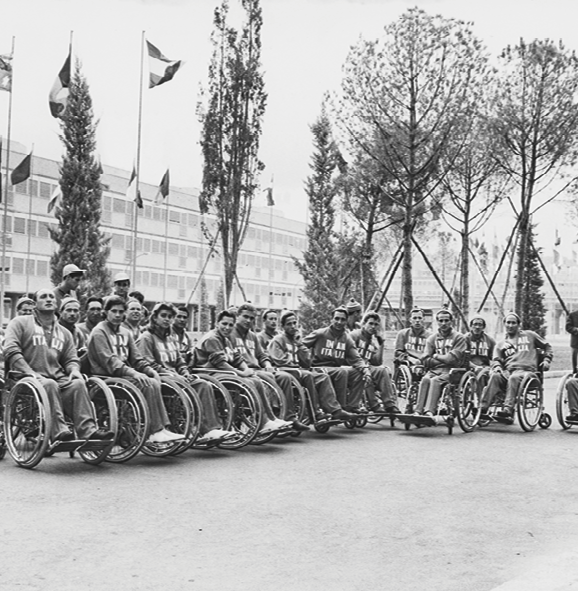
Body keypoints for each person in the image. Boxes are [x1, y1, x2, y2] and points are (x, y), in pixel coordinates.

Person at [3, 288, 113, 442]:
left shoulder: (64, 333)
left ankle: (88, 431)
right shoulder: (20, 323)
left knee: (78, 384)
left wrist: (74, 370)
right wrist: (29, 372)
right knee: (49, 384)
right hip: (27, 377)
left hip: (56, 377)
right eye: (43, 297)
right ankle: (59, 431)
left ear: (56, 303)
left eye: (51, 297)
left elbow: (71, 358)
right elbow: (11, 350)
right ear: (35, 304)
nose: (48, 299)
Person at [87, 296, 184, 444]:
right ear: (106, 312)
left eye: (121, 311)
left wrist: (150, 371)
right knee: (146, 384)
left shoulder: (125, 332)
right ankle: (154, 430)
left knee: (153, 381)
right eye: (114, 311)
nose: (118, 315)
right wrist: (134, 373)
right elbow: (110, 362)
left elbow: (137, 359)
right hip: (105, 378)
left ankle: (163, 428)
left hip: (123, 377)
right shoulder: (99, 332)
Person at [139, 302, 235, 444]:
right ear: (154, 318)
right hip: (161, 377)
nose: (167, 319)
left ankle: (210, 429)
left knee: (203, 385)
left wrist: (184, 371)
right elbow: (149, 364)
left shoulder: (170, 338)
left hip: (176, 377)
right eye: (163, 316)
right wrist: (172, 374)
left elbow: (179, 361)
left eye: (170, 316)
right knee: (189, 384)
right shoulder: (147, 338)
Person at [195, 309, 292, 436]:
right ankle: (261, 420)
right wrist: (241, 374)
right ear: (217, 323)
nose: (227, 327)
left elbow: (236, 358)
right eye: (224, 324)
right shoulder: (212, 338)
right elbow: (220, 363)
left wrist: (246, 369)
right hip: (210, 372)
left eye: (230, 325)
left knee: (256, 380)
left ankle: (269, 419)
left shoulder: (226, 340)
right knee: (248, 382)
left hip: (223, 372)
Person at [232, 303, 309, 432]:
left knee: (284, 377)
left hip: (258, 369)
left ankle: (288, 417)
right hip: (243, 371)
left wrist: (267, 364)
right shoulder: (230, 334)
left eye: (251, 318)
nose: (248, 321)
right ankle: (271, 414)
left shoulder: (252, 336)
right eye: (245, 317)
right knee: (267, 377)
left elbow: (262, 355)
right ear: (237, 316)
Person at [268, 310, 354, 422]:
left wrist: (300, 346)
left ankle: (334, 410)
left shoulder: (296, 341)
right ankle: (314, 412)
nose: (293, 326)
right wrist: (296, 366)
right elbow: (279, 360)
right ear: (283, 326)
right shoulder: (278, 340)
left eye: (295, 323)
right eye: (289, 324)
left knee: (322, 377)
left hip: (299, 372)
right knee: (308, 375)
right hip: (286, 371)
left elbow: (307, 363)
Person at [482, 312, 552, 421]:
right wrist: (497, 367)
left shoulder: (530, 335)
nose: (510, 325)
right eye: (508, 322)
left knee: (514, 378)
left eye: (513, 323)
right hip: (509, 372)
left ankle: (508, 410)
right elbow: (496, 360)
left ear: (519, 324)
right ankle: (483, 408)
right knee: (495, 376)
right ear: (504, 324)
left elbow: (547, 346)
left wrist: (547, 360)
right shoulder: (500, 344)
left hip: (527, 372)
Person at [302, 307, 371, 412]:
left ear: (346, 321)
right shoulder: (320, 334)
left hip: (336, 369)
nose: (339, 322)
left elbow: (356, 358)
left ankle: (352, 406)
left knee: (358, 373)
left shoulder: (347, 339)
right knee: (342, 372)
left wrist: (365, 370)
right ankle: (340, 408)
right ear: (331, 319)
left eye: (343, 319)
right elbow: (301, 345)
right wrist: (304, 359)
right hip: (318, 368)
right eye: (337, 318)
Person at [414, 309, 467, 417]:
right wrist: (440, 358)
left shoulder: (459, 337)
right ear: (437, 322)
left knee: (435, 381)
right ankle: (418, 411)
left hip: (452, 371)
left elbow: (451, 360)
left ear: (451, 322)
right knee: (425, 379)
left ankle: (430, 411)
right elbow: (425, 359)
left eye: (446, 320)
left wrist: (435, 356)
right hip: (434, 370)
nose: (443, 323)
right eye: (441, 320)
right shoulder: (432, 338)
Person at [350, 311, 400, 414]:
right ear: (364, 324)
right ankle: (374, 405)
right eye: (370, 323)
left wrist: (381, 342)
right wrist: (363, 367)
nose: (373, 327)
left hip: (366, 368)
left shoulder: (372, 342)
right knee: (365, 373)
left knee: (382, 370)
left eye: (376, 324)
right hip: (352, 368)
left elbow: (377, 362)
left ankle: (389, 404)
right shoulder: (354, 336)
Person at [464, 316, 495, 389]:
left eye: (480, 325)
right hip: (468, 366)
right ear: (471, 326)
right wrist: (474, 366)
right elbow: (462, 357)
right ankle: (480, 397)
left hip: (485, 367)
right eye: (475, 324)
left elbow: (494, 357)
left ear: (483, 327)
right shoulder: (465, 339)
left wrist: (493, 366)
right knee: (480, 372)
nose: (477, 327)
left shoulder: (489, 340)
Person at [565, 309, 578, 373]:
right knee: (575, 359)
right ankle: (575, 373)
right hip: (575, 342)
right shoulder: (572, 315)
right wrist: (576, 330)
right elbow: (568, 327)